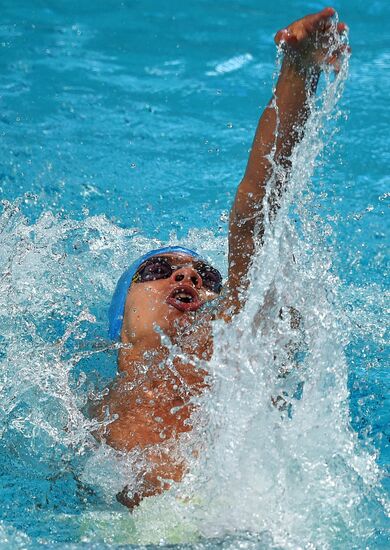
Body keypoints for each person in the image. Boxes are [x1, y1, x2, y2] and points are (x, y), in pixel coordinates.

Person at [92, 8, 348, 509]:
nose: (187, 273)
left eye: (206, 275)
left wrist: (297, 71)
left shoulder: (223, 352)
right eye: (157, 270)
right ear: (121, 316)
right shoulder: (76, 410)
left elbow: (255, 208)